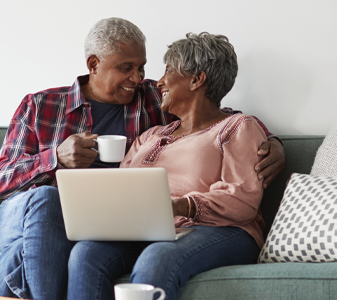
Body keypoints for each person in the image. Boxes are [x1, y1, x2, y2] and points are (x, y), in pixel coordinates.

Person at [0, 18, 284, 300]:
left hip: (125, 222)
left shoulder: (151, 101)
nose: (143, 79)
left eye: (141, 67)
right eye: (126, 68)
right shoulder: (41, 105)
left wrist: (272, 141)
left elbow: (213, 116)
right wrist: (55, 158)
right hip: (28, 212)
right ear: (94, 65)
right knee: (48, 201)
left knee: (66, 253)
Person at [67, 31, 266, 300]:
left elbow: (242, 201)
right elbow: (123, 187)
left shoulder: (237, 128)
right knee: (86, 253)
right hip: (148, 229)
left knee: (156, 258)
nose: (159, 81)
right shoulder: (151, 136)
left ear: (197, 79)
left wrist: (180, 205)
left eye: (169, 71)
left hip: (221, 230)